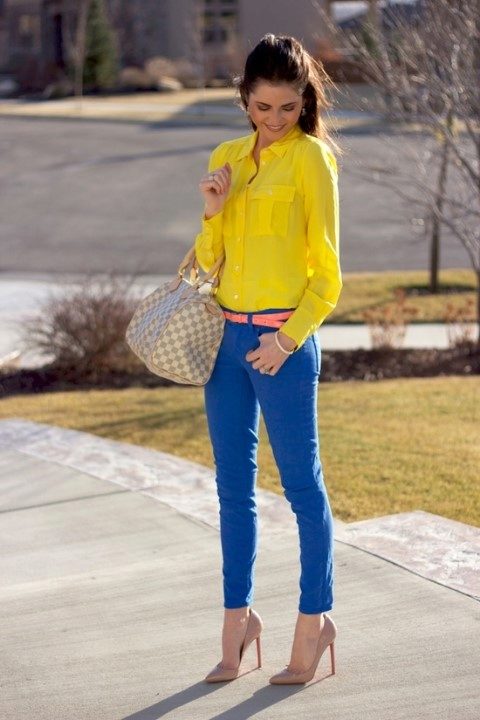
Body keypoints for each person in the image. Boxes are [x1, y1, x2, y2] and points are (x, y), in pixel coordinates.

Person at [194, 33, 343, 685]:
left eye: (288, 106)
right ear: (245, 99)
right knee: (232, 490)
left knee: (302, 487)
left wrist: (286, 340)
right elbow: (208, 265)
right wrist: (211, 212)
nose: (275, 119)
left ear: (304, 100)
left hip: (284, 344)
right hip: (226, 345)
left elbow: (328, 275)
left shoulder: (312, 159)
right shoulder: (226, 157)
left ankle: (315, 621)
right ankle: (238, 622)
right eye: (263, 107)